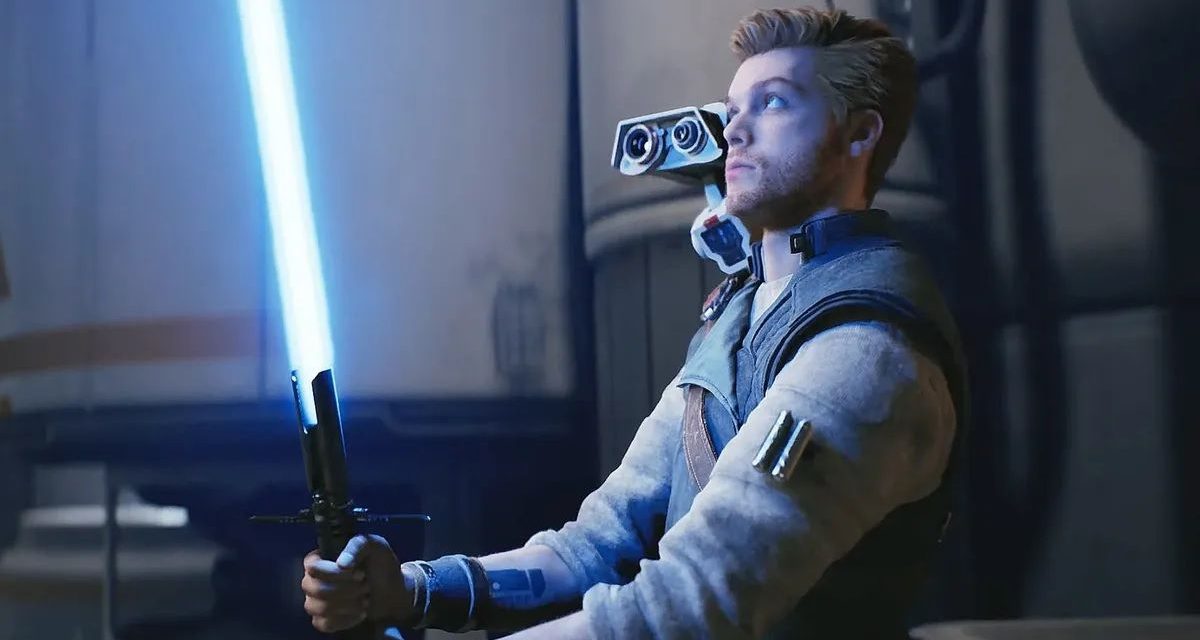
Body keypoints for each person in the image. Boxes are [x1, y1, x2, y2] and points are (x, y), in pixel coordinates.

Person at [300, 7, 967, 639]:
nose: (734, 131)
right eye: (732, 109)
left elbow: (686, 605)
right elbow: (595, 546)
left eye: (773, 103)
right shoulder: (741, 317)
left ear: (859, 134)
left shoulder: (867, 351)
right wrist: (413, 590)